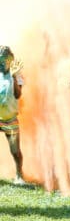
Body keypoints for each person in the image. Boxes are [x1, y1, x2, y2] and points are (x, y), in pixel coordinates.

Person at [0, 46, 25, 184]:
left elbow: (18, 94)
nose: (3, 63)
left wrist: (14, 77)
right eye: (1, 59)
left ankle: (19, 175)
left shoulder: (17, 74)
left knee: (15, 150)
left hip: (10, 118)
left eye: (6, 59)